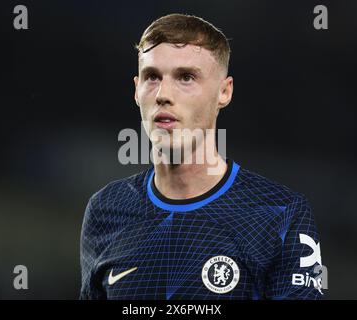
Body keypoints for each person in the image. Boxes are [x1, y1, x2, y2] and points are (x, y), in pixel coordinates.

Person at [80, 13, 323, 300]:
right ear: (136, 90)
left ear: (224, 91)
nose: (163, 94)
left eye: (186, 77)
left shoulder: (282, 213)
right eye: (152, 77)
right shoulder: (105, 209)